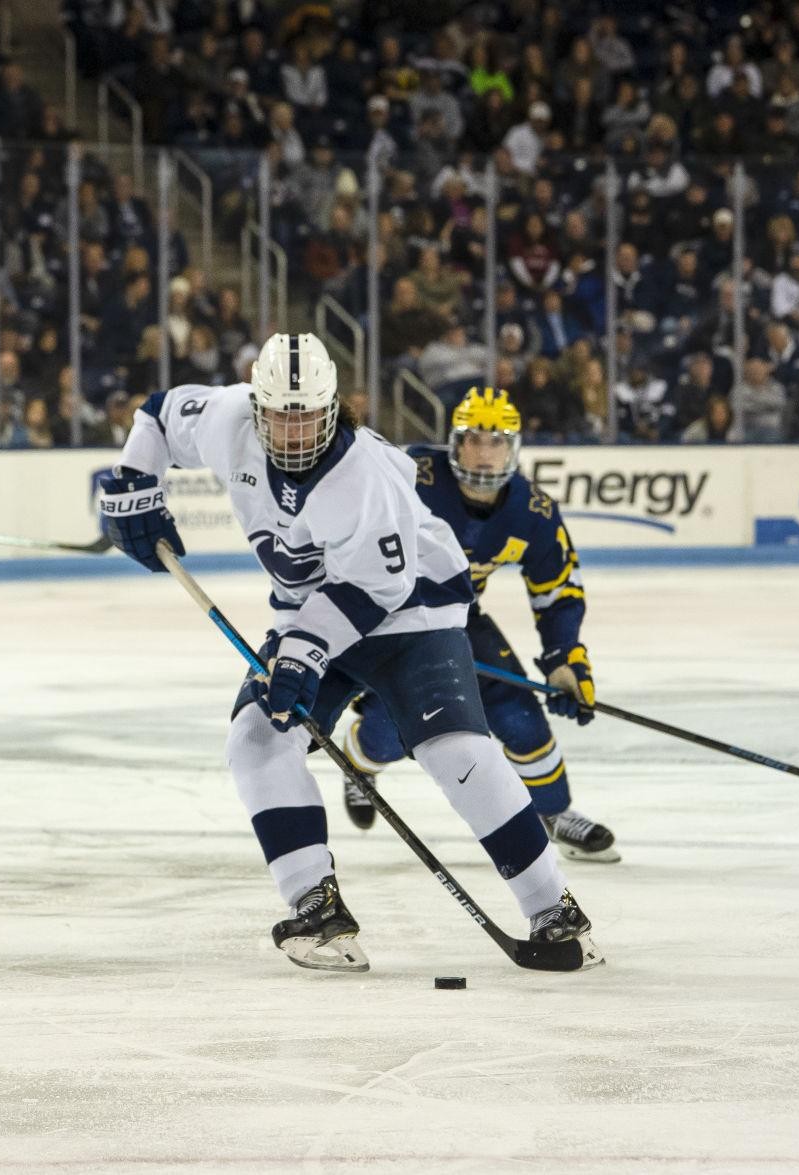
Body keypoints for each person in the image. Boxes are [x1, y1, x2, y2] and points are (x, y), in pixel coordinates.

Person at [96, 334, 602, 974]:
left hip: (412, 609)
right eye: (281, 414)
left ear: (335, 407)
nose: (296, 430)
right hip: (310, 608)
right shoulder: (231, 419)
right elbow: (161, 412)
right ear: (258, 406)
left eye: (308, 414)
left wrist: (303, 654)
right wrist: (135, 479)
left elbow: (377, 588)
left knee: (456, 751)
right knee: (256, 737)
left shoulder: (365, 475)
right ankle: (317, 906)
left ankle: (554, 909)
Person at [342, 388, 618, 863]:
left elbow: (557, 592)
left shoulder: (533, 513)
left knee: (519, 716)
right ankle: (357, 766)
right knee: (390, 732)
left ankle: (553, 812)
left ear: (514, 449)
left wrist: (564, 657)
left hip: (460, 619)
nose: (485, 455)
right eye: (474, 441)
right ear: (453, 444)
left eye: (497, 443)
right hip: (389, 618)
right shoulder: (411, 477)